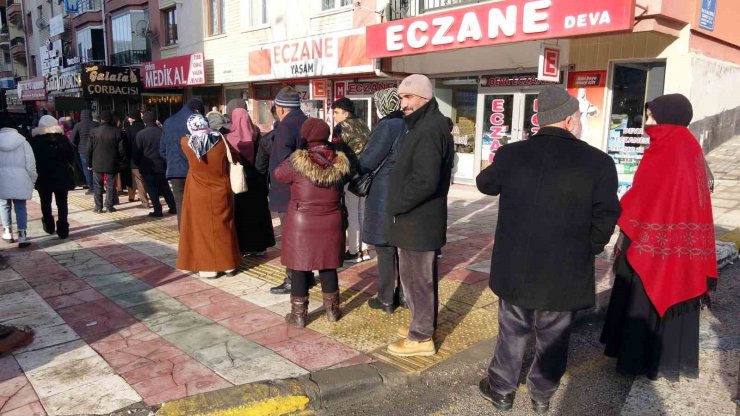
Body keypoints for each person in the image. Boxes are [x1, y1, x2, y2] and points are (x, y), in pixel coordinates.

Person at [475, 85, 620, 413]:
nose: (581, 122)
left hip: (516, 264)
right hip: (565, 266)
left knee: (512, 329)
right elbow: (606, 215)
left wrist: (496, 160)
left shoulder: (512, 154)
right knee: (554, 334)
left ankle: (501, 390)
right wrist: (591, 247)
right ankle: (541, 394)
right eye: (580, 117)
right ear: (569, 120)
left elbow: (485, 184)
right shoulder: (597, 162)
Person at [601, 94, 718, 381]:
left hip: (650, 241)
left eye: (652, 117)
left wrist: (621, 207)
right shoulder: (689, 145)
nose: (648, 123)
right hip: (678, 243)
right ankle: (660, 359)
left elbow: (645, 195)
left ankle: (637, 360)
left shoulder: (668, 147)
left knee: (641, 295)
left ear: (669, 116)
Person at [385, 74, 454, 357]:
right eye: (401, 97)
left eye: (409, 97)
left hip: (419, 220)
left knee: (418, 280)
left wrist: (397, 204)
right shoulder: (422, 125)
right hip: (413, 220)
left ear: (424, 98)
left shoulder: (430, 128)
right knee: (412, 278)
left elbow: (425, 181)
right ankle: (420, 323)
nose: (403, 103)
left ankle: (422, 336)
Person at [275, 118, 350, 327]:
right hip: (332, 219)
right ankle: (332, 311)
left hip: (302, 221)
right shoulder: (339, 160)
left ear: (306, 135)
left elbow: (279, 174)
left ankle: (299, 316)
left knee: (299, 265)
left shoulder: (298, 161)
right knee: (328, 266)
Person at [176, 114, 241, 279]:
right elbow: (234, 157)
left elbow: (186, 138)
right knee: (224, 226)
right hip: (221, 189)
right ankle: (228, 265)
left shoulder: (186, 143)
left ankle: (208, 268)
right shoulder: (221, 141)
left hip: (198, 192)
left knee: (202, 230)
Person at [358, 88, 406, 313]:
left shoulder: (388, 126)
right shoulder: (411, 123)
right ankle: (405, 296)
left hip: (385, 193)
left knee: (386, 247)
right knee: (403, 247)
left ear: (383, 106)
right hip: (407, 191)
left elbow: (369, 160)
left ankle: (386, 298)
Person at [268, 87, 310, 294]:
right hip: (305, 190)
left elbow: (286, 162)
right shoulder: (307, 121)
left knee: (290, 238)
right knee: (302, 236)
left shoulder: (285, 126)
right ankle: (306, 275)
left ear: (281, 109)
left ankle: (293, 279)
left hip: (287, 191)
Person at [226, 108, 275, 256]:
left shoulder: (229, 138)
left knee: (242, 214)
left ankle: (243, 246)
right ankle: (261, 246)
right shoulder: (257, 135)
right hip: (258, 180)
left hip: (239, 182)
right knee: (259, 212)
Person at [331, 97, 371, 263]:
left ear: (345, 113)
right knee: (362, 213)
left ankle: (354, 251)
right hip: (366, 176)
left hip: (350, 177)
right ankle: (365, 248)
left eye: (336, 112)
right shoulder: (363, 124)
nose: (334, 115)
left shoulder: (340, 128)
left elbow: (337, 154)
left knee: (352, 214)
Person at [160, 99, 205, 228]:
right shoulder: (199, 120)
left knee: (181, 206)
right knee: (198, 205)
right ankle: (197, 236)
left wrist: (173, 161)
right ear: (197, 110)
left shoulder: (168, 122)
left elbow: (162, 150)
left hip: (175, 172)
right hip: (195, 170)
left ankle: (184, 237)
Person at [30, 115, 75, 239]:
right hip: (61, 175)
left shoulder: (35, 141)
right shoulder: (62, 139)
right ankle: (63, 229)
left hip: (43, 176)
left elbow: (32, 160)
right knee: (62, 203)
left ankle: (49, 225)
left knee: (45, 201)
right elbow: (71, 156)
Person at [133, 111, 177, 218]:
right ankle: (173, 207)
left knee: (151, 188)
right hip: (162, 164)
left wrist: (137, 163)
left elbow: (136, 152)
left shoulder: (140, 134)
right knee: (165, 187)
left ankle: (158, 210)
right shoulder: (162, 132)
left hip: (147, 166)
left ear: (145, 122)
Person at [0, 126, 37, 248]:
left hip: (2, 178)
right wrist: (32, 178)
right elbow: (30, 164)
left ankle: (7, 232)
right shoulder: (23, 142)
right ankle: (22, 235)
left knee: (4, 204)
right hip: (20, 177)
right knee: (20, 206)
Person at [87, 111, 127, 214]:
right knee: (110, 185)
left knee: (97, 185)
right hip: (112, 162)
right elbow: (122, 150)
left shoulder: (93, 131)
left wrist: (89, 163)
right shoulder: (118, 132)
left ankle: (98, 207)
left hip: (97, 162)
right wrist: (122, 162)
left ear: (101, 120)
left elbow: (89, 149)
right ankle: (109, 206)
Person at [125, 110, 149, 208]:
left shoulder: (129, 129)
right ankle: (146, 199)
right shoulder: (145, 127)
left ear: (133, 118)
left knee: (135, 179)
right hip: (146, 158)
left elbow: (126, 145)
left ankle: (138, 199)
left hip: (133, 159)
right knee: (144, 179)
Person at [71, 109, 99, 193]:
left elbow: (72, 140)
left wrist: (78, 146)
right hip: (95, 149)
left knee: (87, 169)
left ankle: (91, 188)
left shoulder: (78, 125)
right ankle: (98, 187)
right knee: (96, 169)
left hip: (83, 150)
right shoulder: (96, 124)